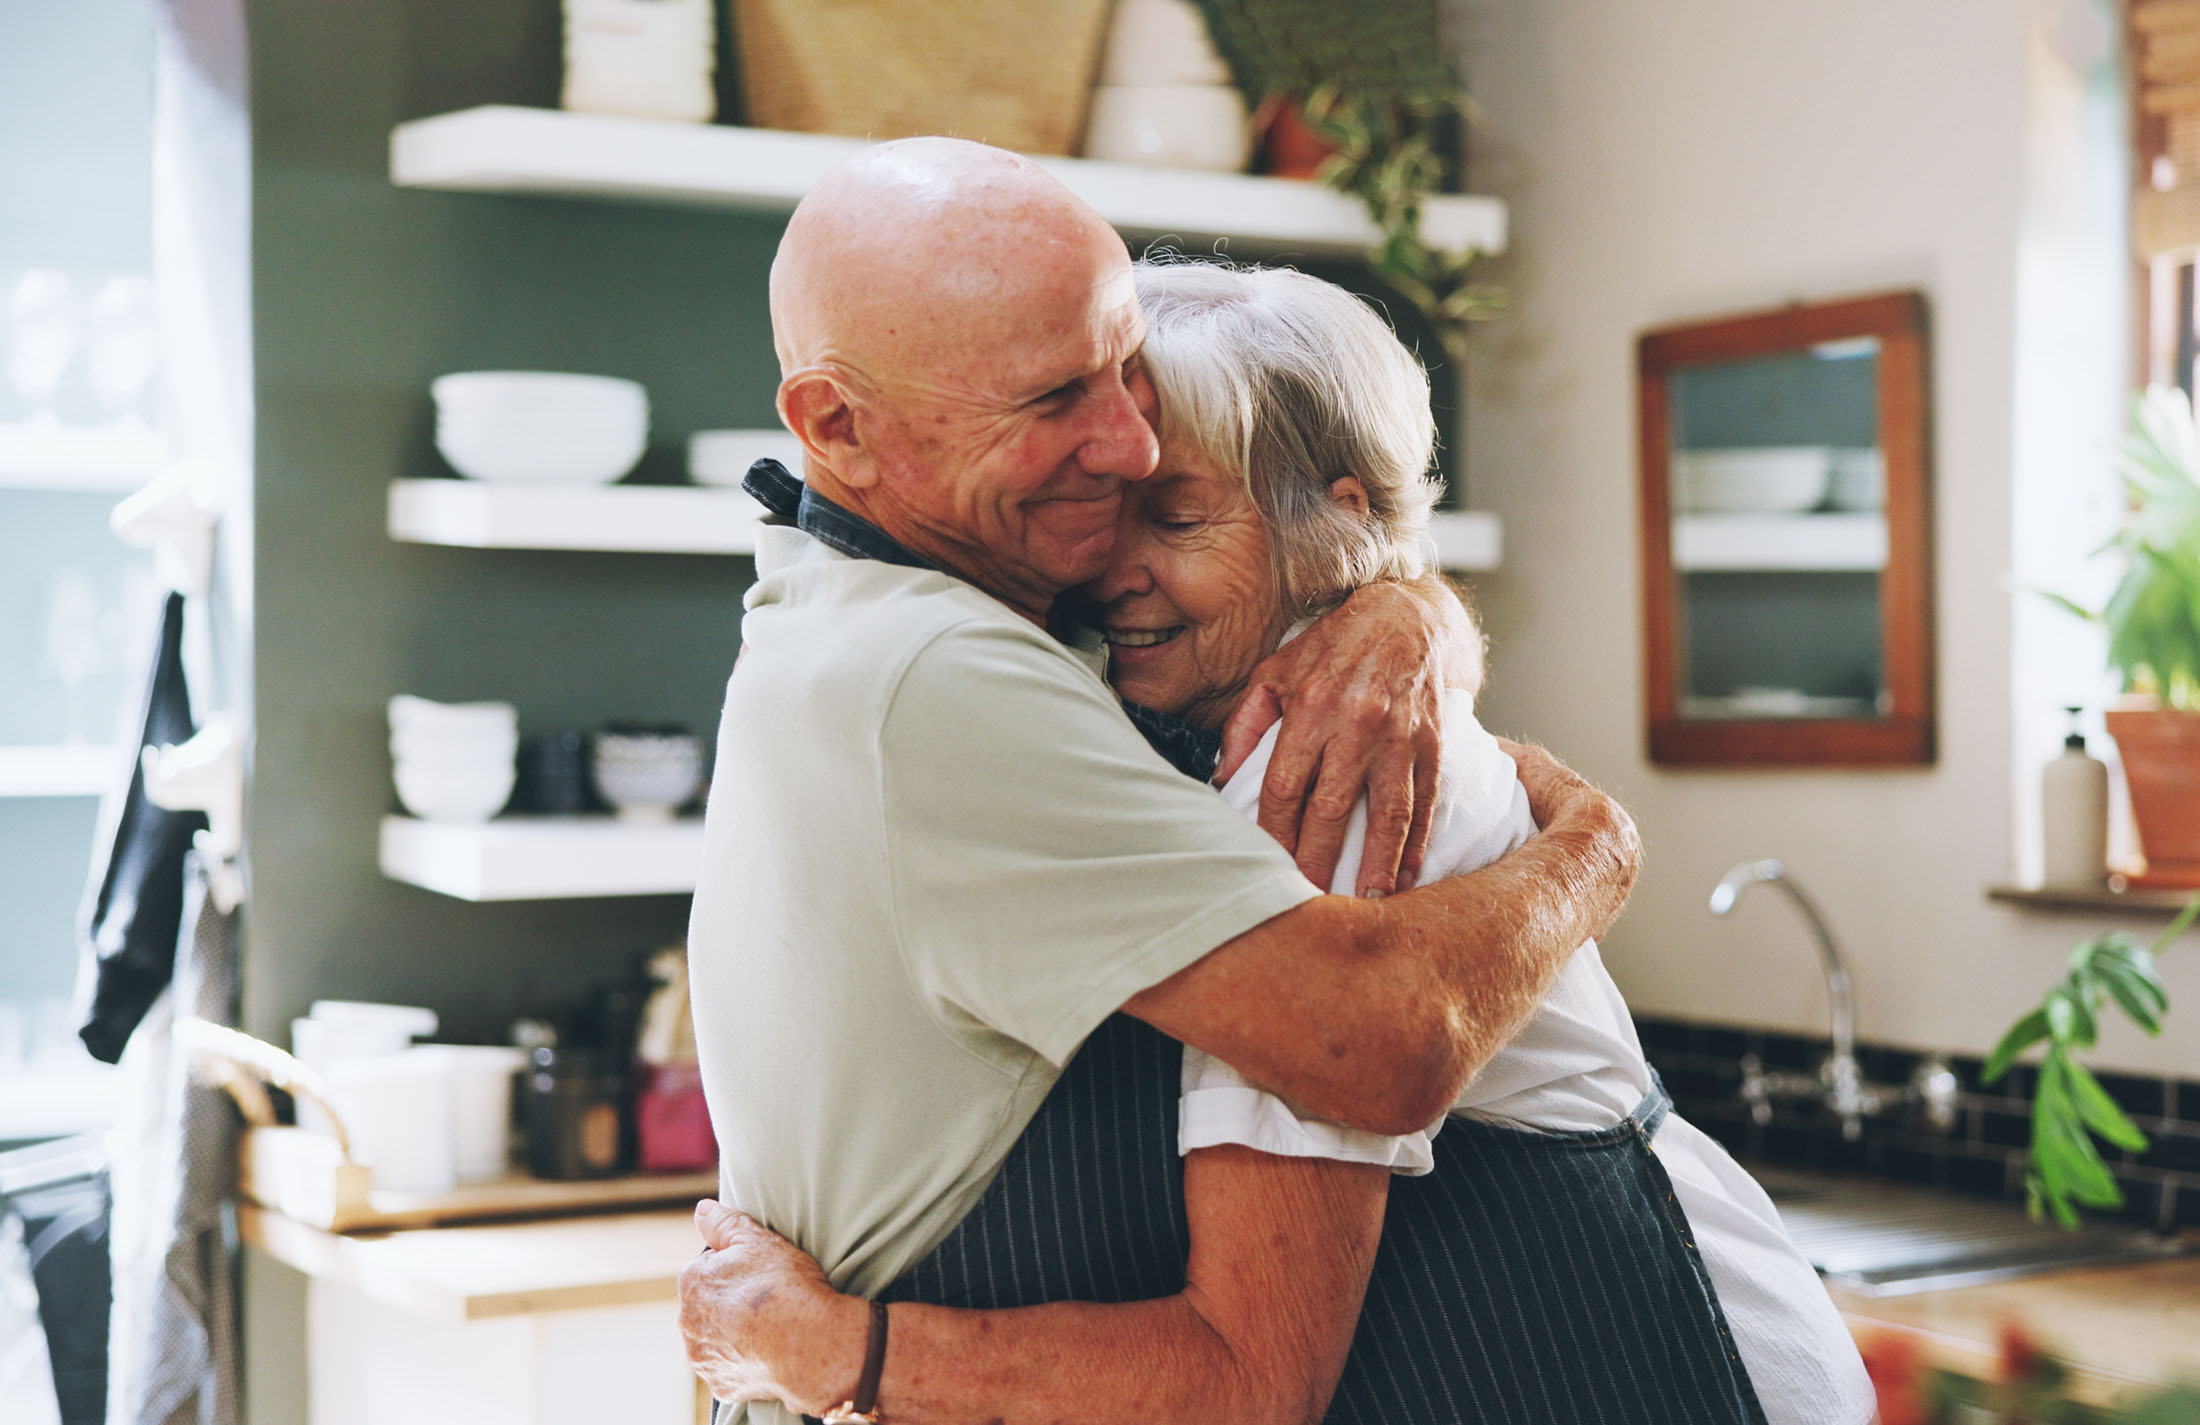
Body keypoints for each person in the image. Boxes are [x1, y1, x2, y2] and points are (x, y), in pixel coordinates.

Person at [681, 261, 1875, 1425]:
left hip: (1659, 1354)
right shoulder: (1114, 705)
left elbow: (1254, 1364)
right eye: (1103, 504)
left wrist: (840, 1351)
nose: (1110, 569)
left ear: (1335, 523)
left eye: (1180, 516)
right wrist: (1418, 613)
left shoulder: (1340, 776)